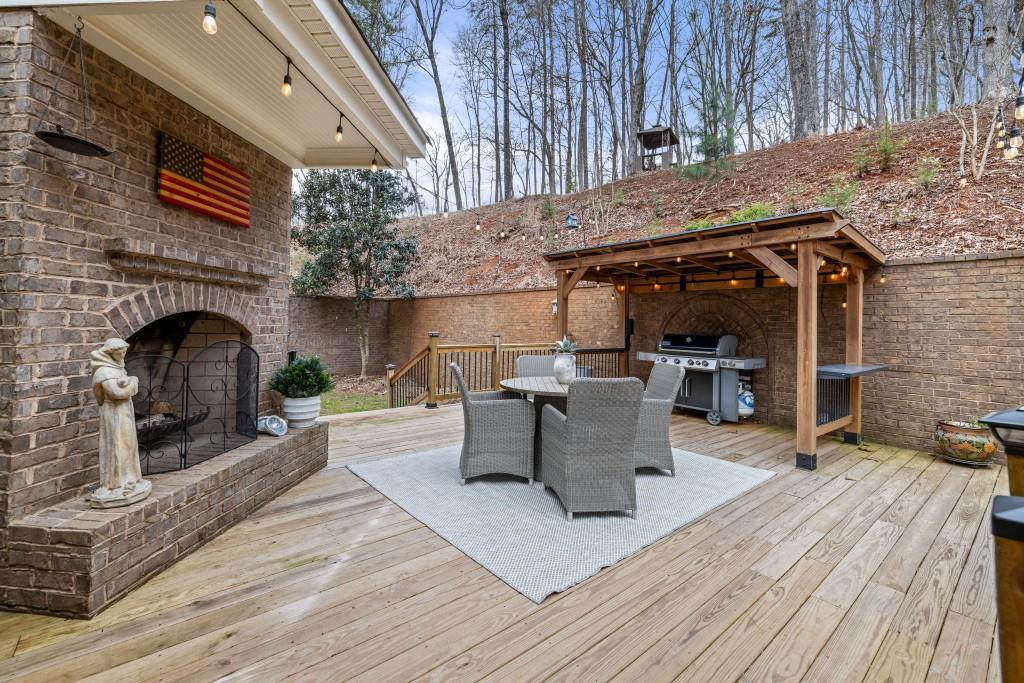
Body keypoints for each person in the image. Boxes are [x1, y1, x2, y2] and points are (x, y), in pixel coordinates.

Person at [89, 338, 150, 507]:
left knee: (128, 445)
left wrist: (131, 381)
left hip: (125, 412)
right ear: (110, 353)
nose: (123, 355)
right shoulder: (103, 372)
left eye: (124, 352)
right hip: (113, 413)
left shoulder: (118, 367)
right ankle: (115, 483)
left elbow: (125, 388)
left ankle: (130, 478)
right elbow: (116, 393)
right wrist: (134, 383)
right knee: (117, 445)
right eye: (119, 352)